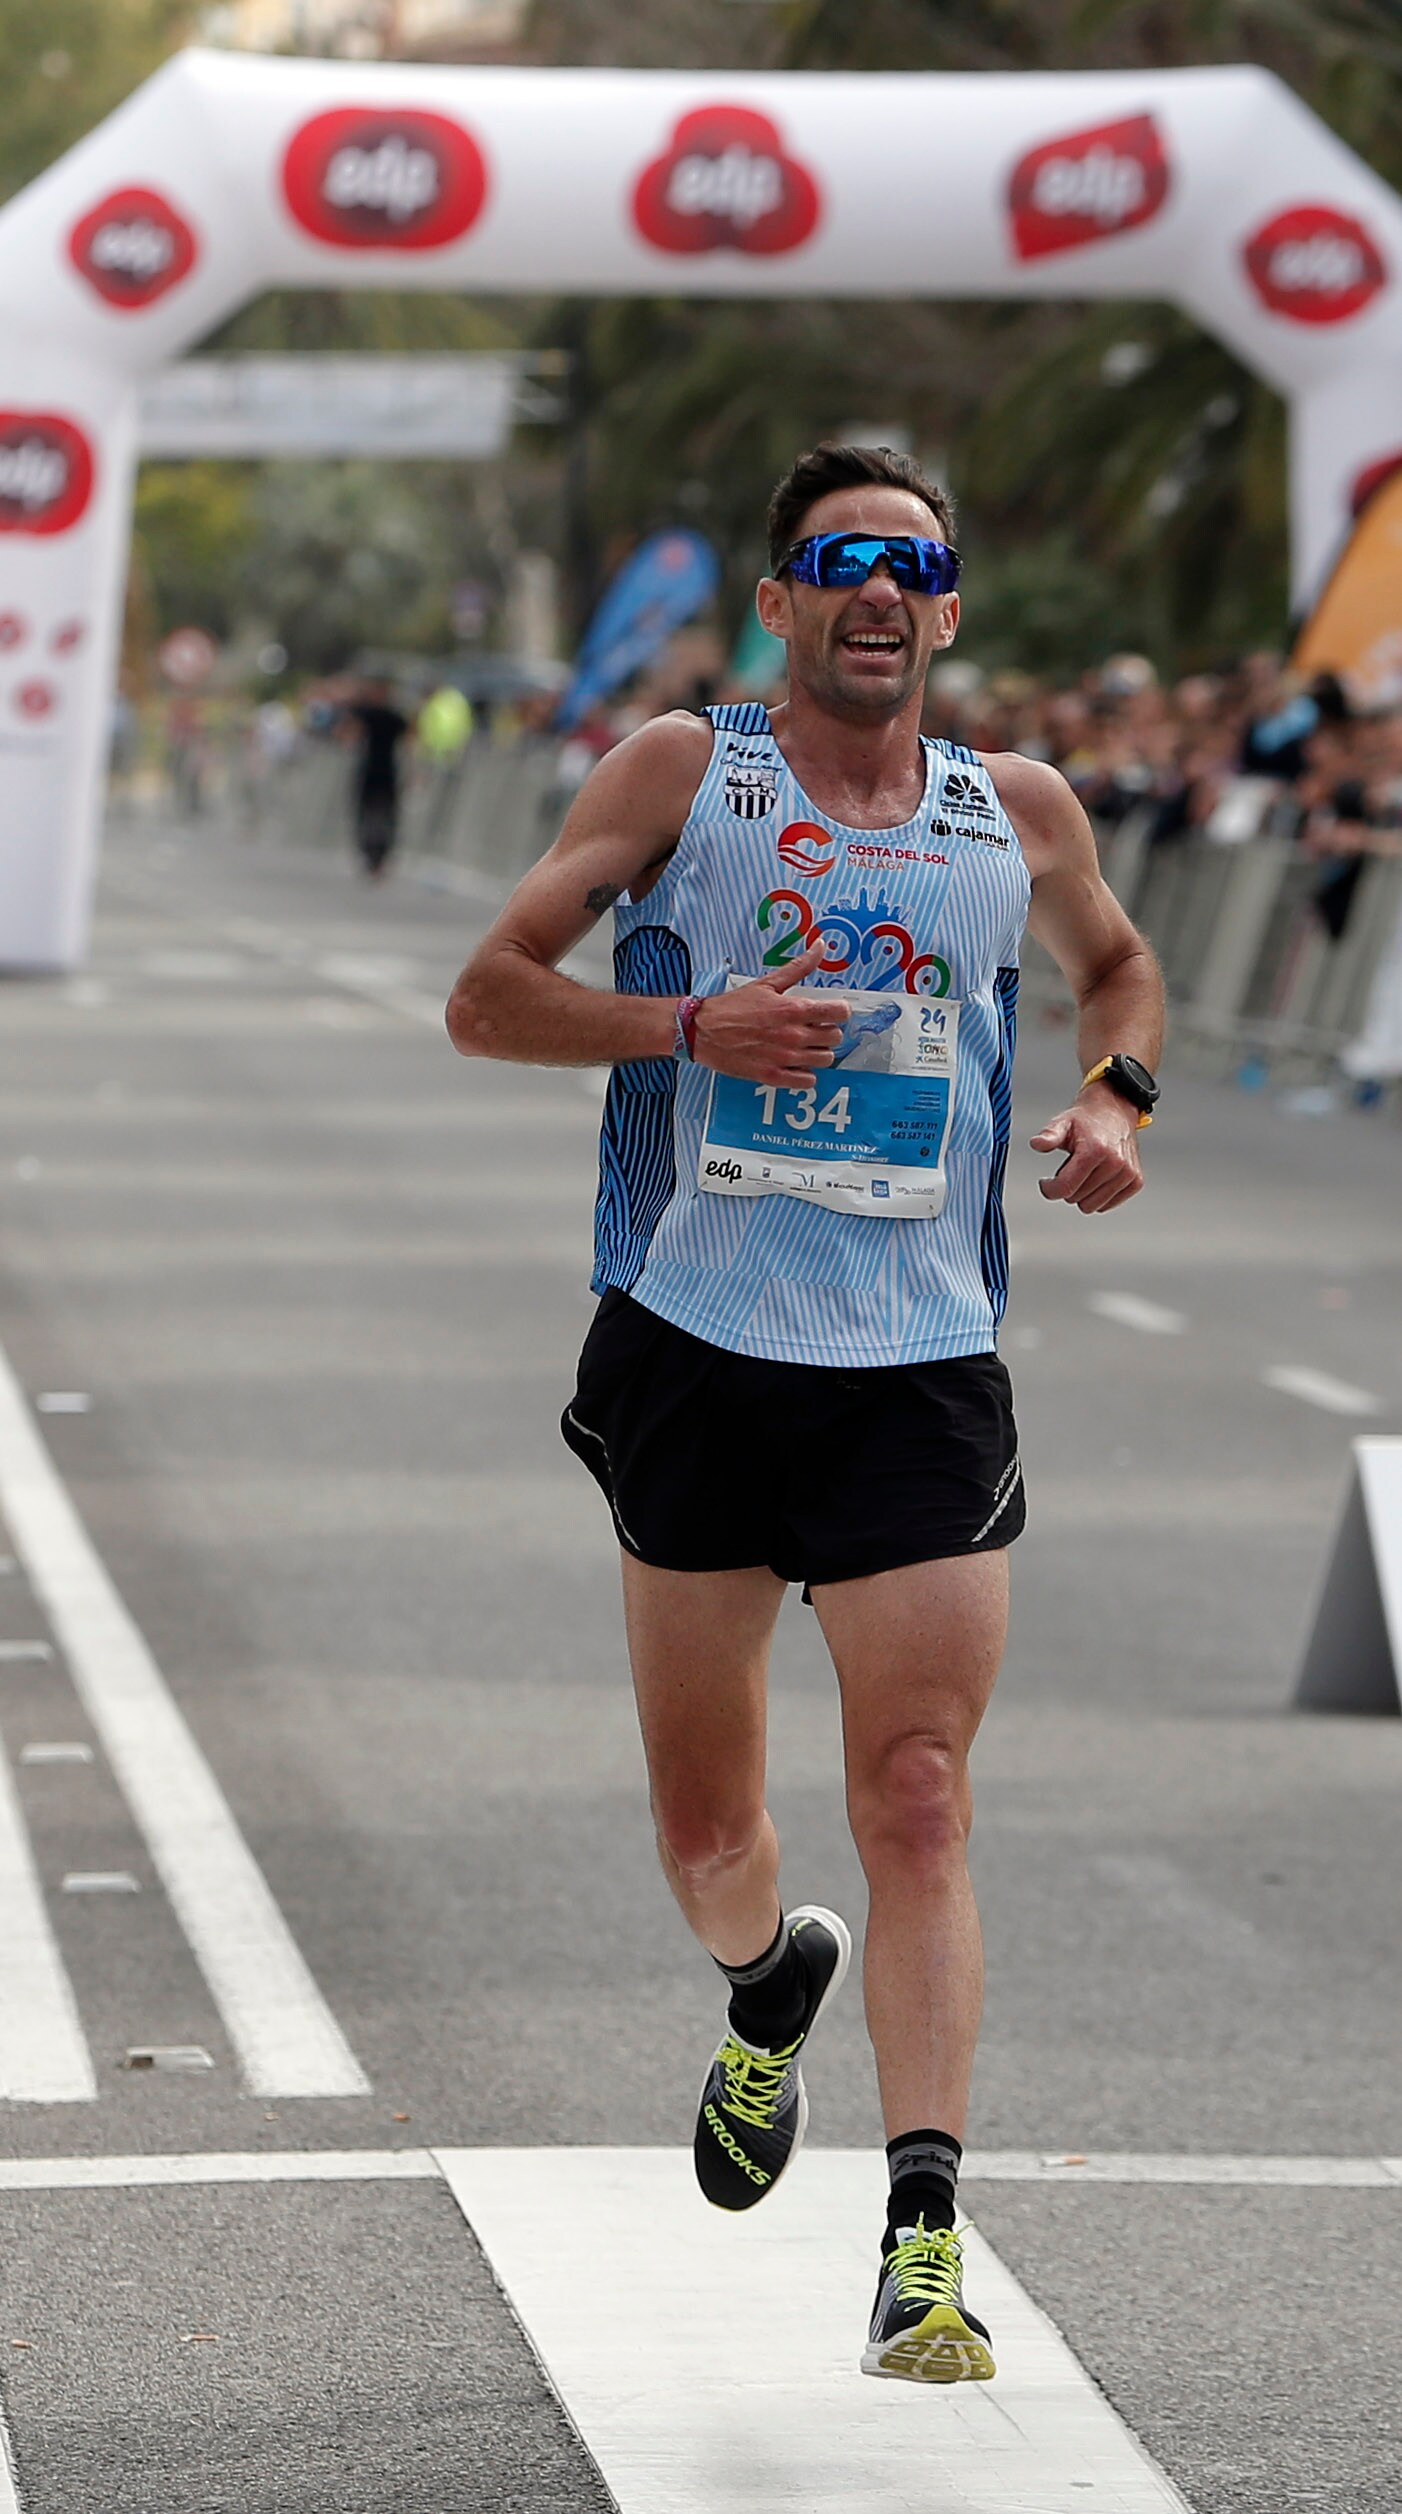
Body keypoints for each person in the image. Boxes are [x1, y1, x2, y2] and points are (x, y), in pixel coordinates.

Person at [445, 443, 1164, 2387]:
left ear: (942, 611)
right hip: (696, 1340)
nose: (875, 593)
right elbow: (487, 997)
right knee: (707, 1825)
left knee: (915, 1795)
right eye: (837, 561)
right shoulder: (685, 780)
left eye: (909, 568)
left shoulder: (1009, 808)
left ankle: (921, 2235)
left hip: (920, 1362)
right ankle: (765, 1984)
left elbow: (1118, 969)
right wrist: (692, 1028)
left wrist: (1115, 1105)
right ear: (779, 601)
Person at [344, 676, 411, 876]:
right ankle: (371, 855)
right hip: (372, 770)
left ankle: (379, 856)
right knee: (368, 814)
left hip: (383, 771)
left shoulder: (389, 716)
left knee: (384, 815)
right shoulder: (372, 714)